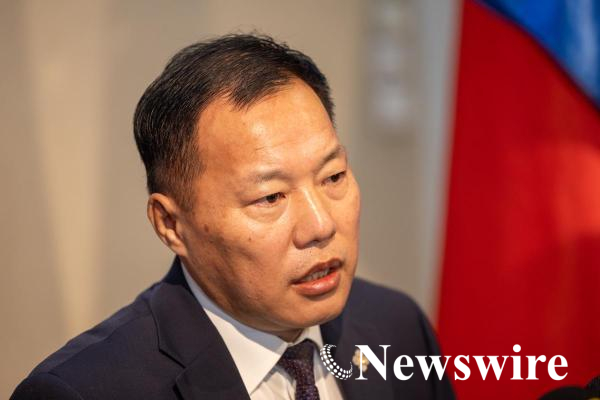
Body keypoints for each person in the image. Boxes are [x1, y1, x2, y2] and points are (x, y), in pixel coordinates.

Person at [11, 34, 455, 400]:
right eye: (270, 197)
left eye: (333, 176)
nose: (321, 225)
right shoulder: (85, 391)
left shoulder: (396, 325)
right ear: (170, 225)